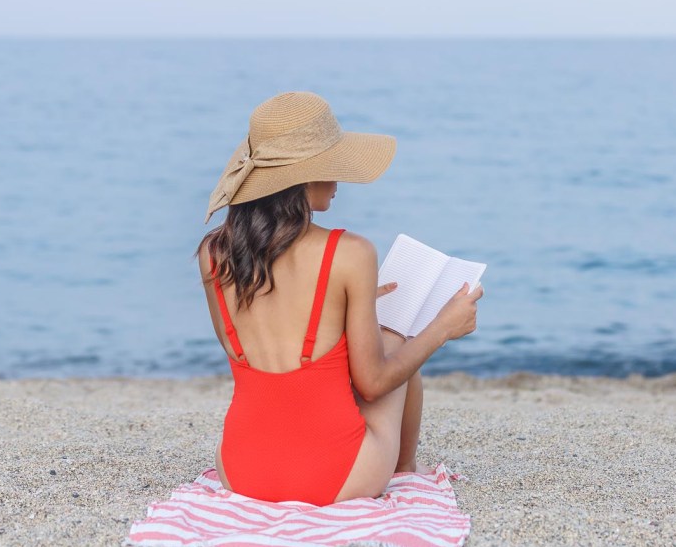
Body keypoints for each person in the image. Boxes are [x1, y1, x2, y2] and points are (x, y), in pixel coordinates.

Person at [195, 91, 483, 506]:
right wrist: (443, 326)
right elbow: (373, 383)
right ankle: (404, 469)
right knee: (396, 341)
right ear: (303, 178)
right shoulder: (350, 252)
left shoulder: (213, 254)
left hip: (240, 471)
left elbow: (247, 352)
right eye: (332, 168)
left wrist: (354, 303)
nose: (339, 182)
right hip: (336, 475)